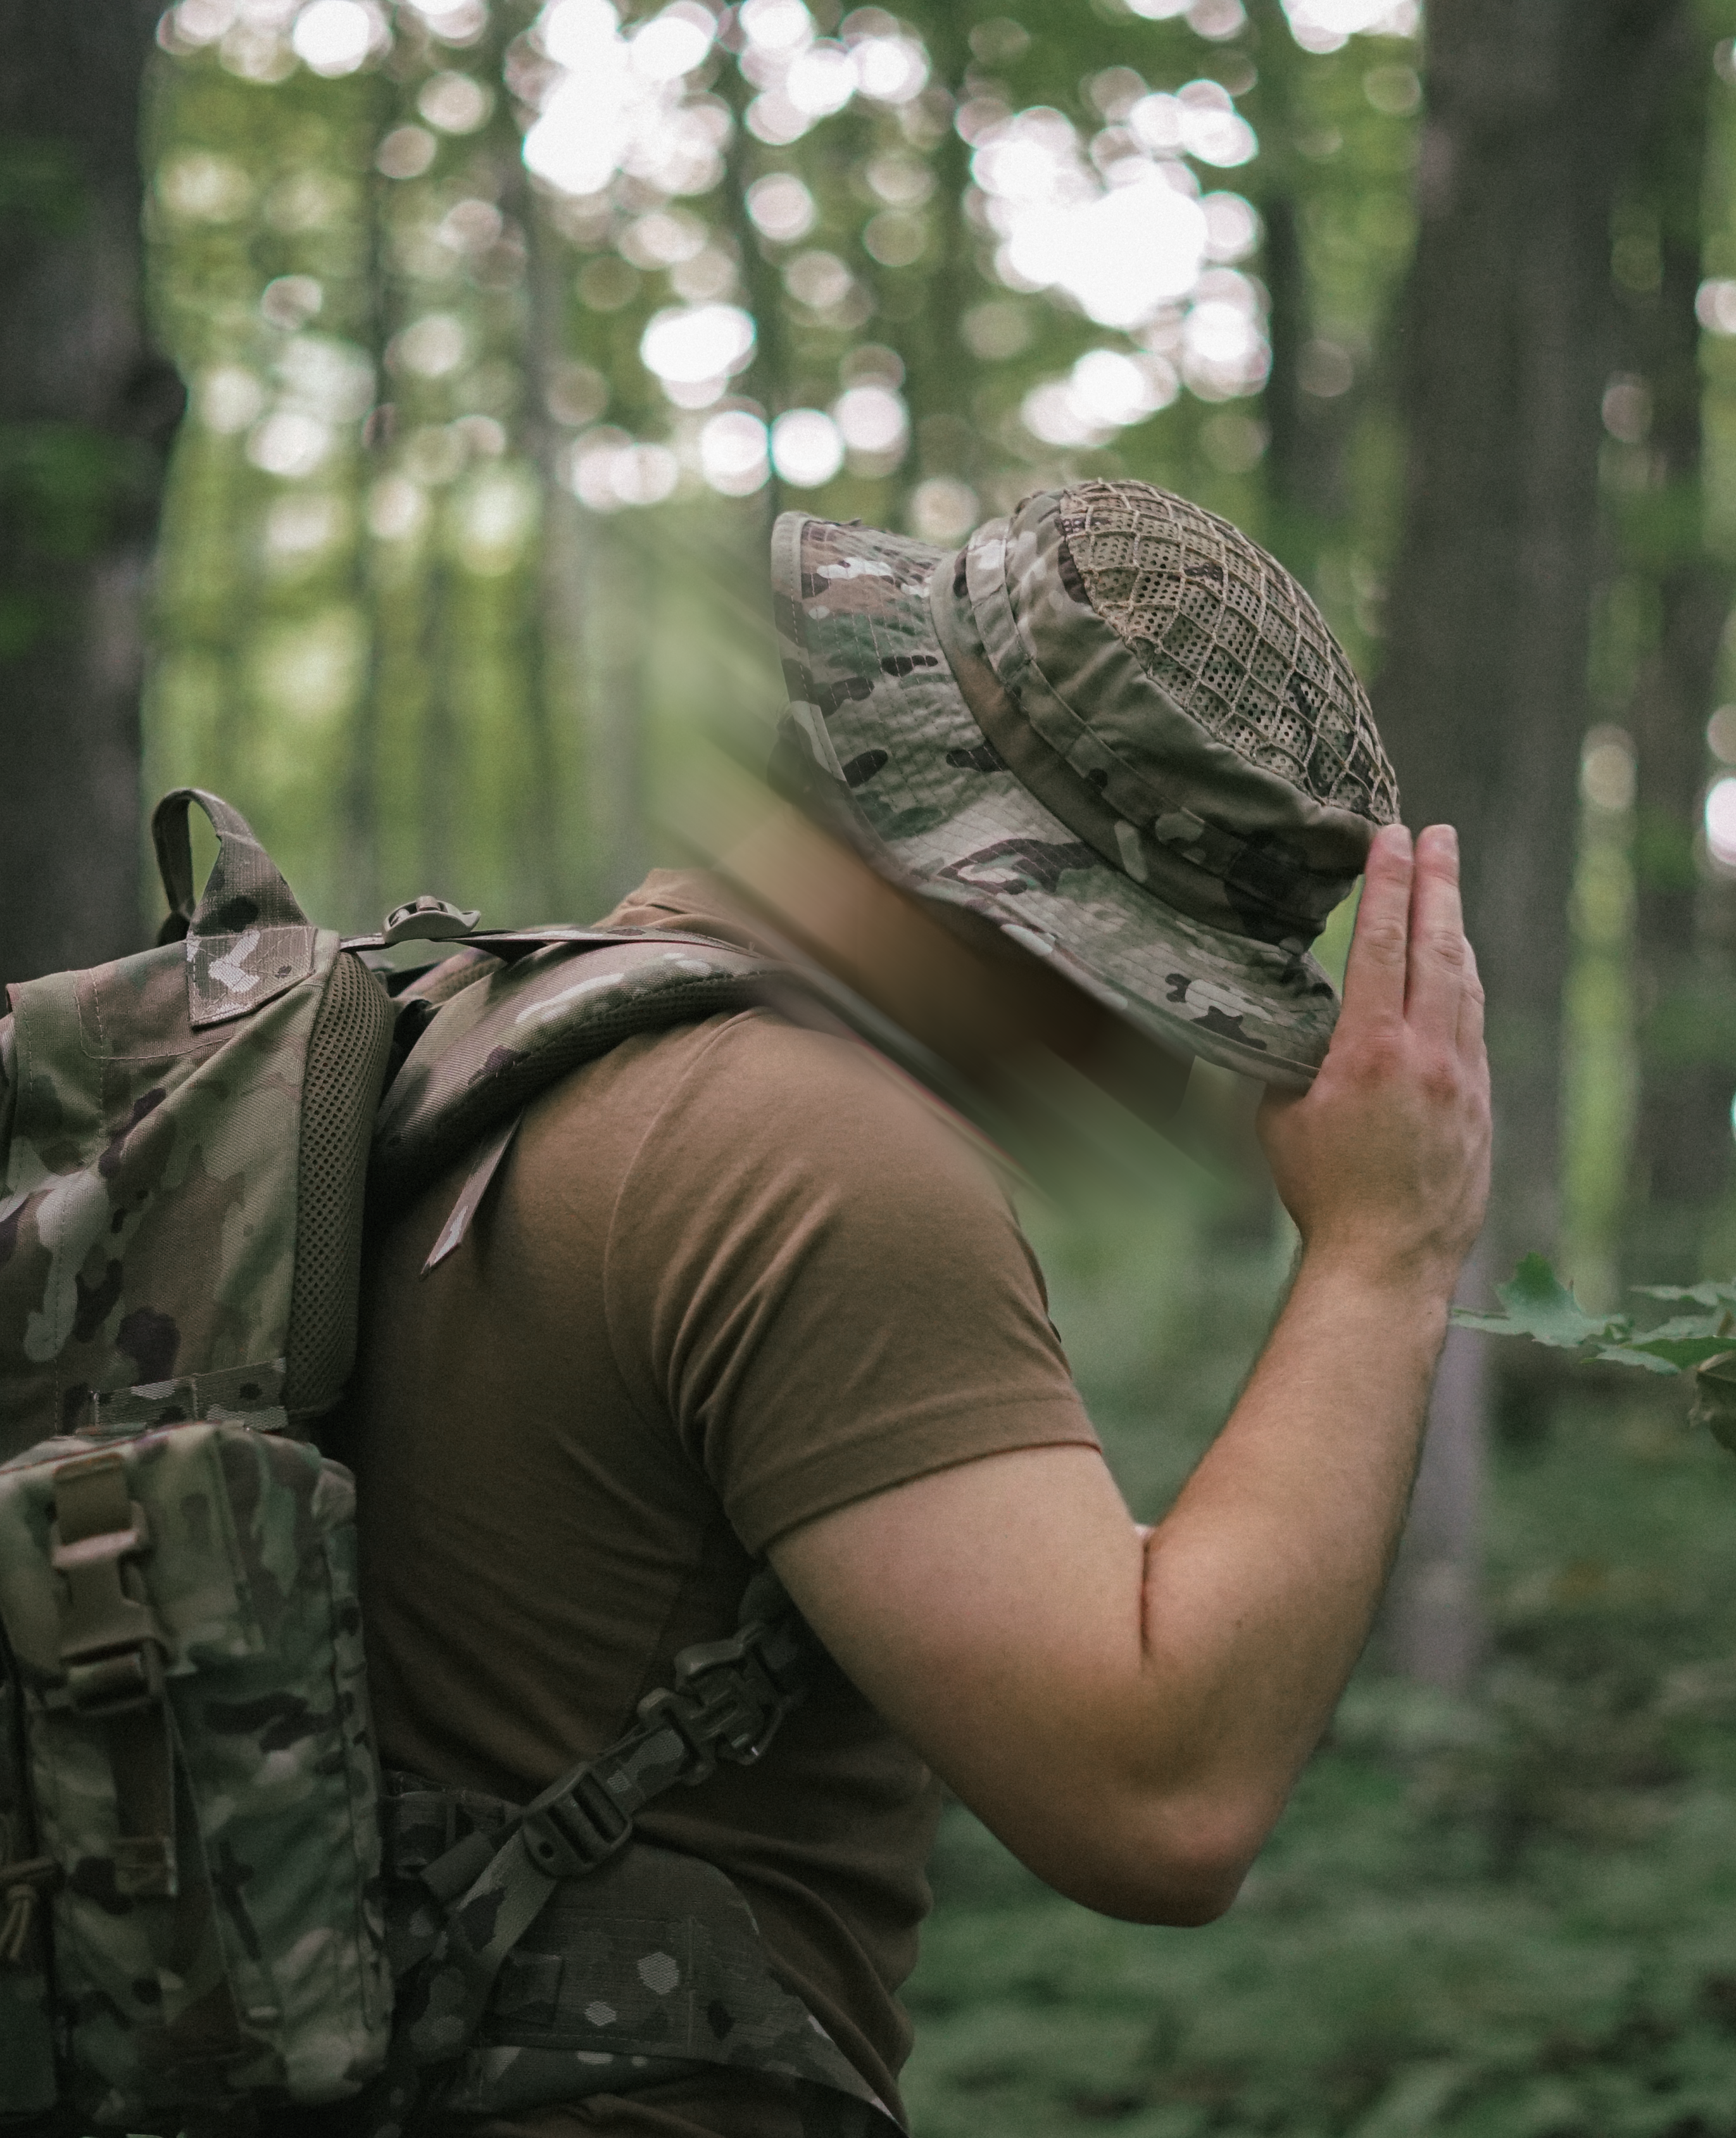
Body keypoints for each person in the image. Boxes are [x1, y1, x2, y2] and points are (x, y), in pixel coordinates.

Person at [337, 479, 1491, 2138]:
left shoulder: (484, 1029)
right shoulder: (813, 1159)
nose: (1146, 1063)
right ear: (1028, 914)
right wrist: (1390, 1245)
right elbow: (1159, 1794)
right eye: (1149, 989)